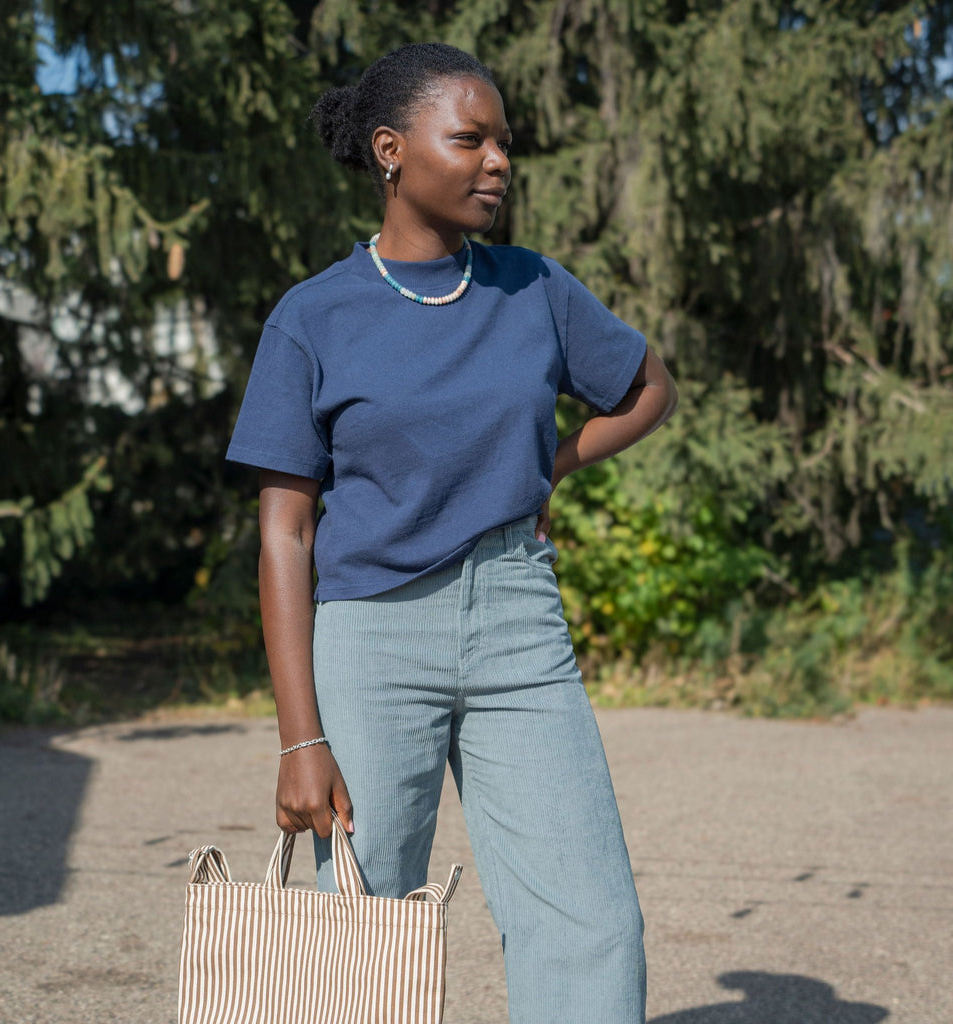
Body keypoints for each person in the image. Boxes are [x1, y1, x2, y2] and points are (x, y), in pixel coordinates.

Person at [227, 41, 677, 1024]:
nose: (498, 161)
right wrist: (299, 736)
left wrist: (551, 462)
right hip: (371, 637)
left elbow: (647, 389)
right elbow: (283, 535)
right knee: (363, 915)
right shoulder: (313, 319)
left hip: (518, 621)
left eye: (503, 141)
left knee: (589, 914)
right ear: (391, 150)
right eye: (468, 138)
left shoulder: (535, 289)